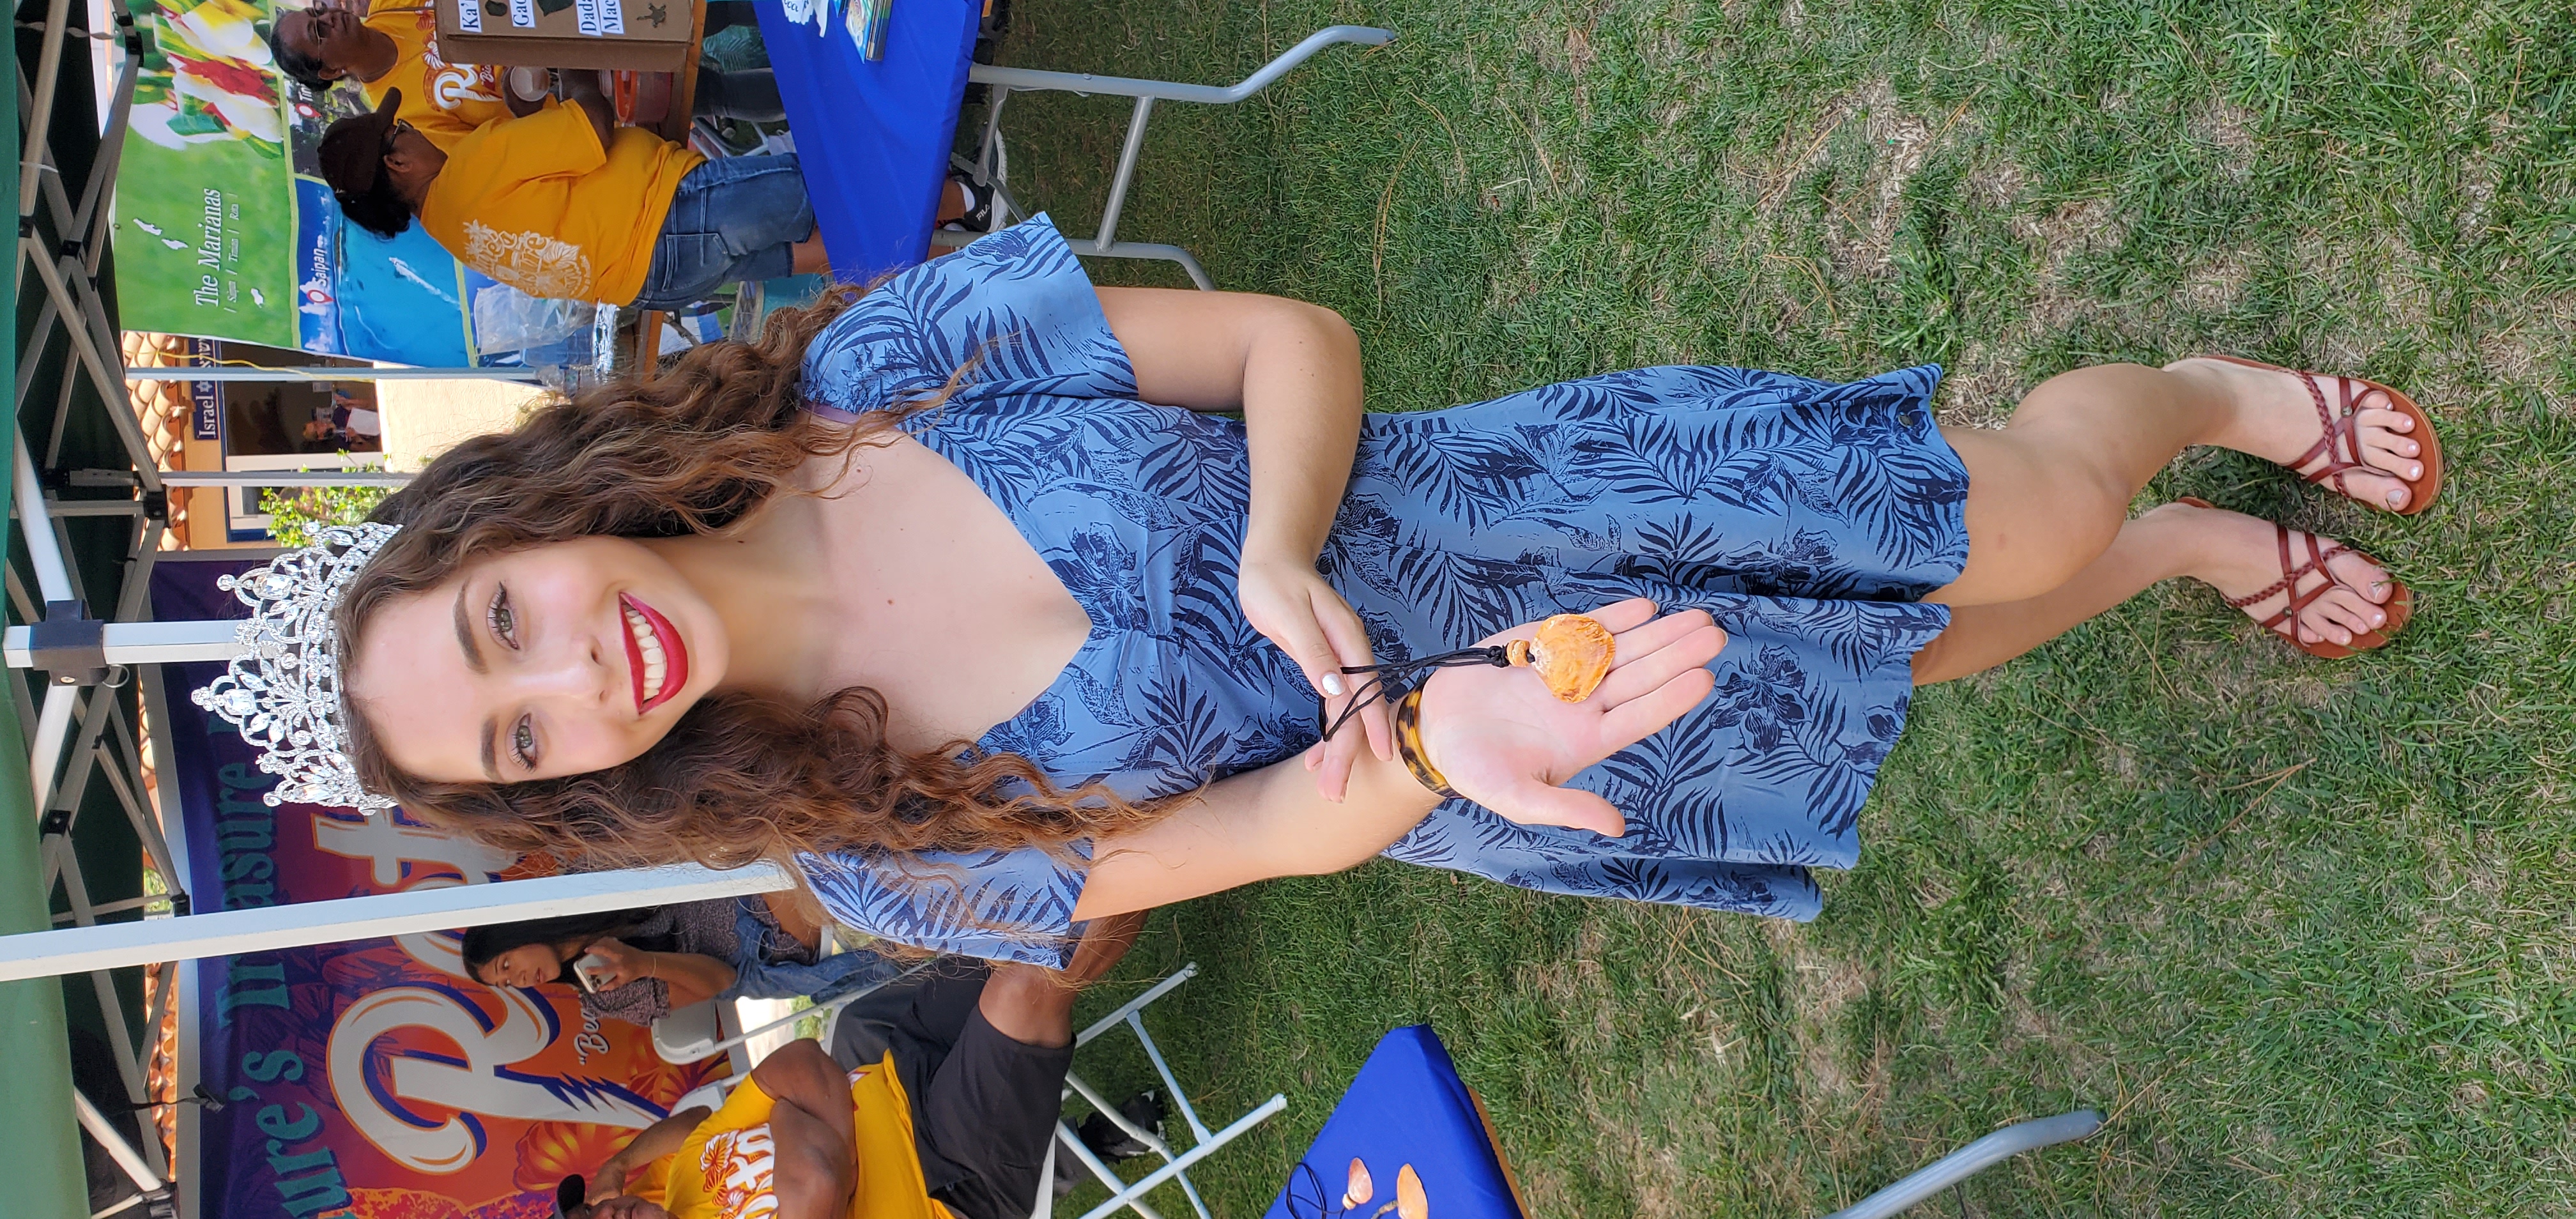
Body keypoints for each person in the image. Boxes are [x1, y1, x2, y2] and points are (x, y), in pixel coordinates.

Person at [194, 216, 2437, 965]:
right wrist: (1435, 745)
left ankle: (2193, 404)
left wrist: (1275, 541)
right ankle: (2170, 551)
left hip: (1537, 492)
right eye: (520, 731)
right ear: (566, 785)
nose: (573, 672)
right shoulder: (876, 864)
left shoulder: (868, 377)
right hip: (1463, 751)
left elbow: (1288, 344)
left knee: (2001, 513)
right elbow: (1247, 837)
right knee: (1914, 663)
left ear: (525, 524)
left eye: (505, 622)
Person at [560, 911, 1147, 1219]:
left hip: (899, 1077)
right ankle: (1181, 843)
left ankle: (1143, 786)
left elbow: (801, 1063)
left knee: (998, 916)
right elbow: (814, 1175)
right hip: (949, 1183)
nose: (610, 1212)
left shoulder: (690, 1172)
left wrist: (834, 1162)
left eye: (596, 1211)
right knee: (1024, 987)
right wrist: (799, 1126)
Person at [317, 81, 825, 310]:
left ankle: (905, 249)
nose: (413, 131)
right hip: (669, 216)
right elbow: (593, 126)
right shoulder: (469, 166)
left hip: (652, 284)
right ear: (397, 162)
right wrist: (576, 72)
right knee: (828, 187)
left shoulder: (446, 227)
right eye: (400, 130)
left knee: (812, 248)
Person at [267, 0, 791, 141]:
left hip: (582, 15)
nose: (328, 18)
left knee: (705, 13)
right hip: (587, 93)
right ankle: (816, 105)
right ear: (330, 71)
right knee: (710, 93)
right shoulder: (401, 119)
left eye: (316, 15)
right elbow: (499, 141)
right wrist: (531, 78)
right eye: (318, 33)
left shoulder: (390, 6)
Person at [460, 896, 906, 1025]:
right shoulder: (605, 999)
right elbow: (721, 980)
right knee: (801, 884)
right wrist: (641, 963)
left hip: (733, 878)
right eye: (507, 985)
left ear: (513, 933)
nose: (519, 980)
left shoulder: (587, 884)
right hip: (757, 947)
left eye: (506, 966)